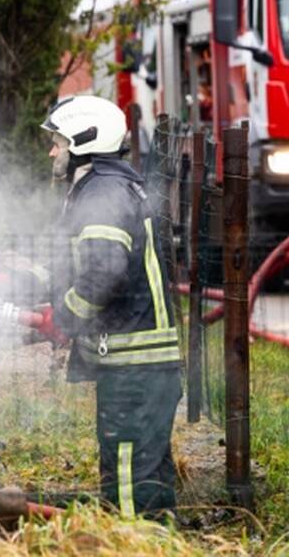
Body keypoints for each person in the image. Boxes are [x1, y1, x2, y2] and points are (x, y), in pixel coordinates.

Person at [42, 95, 182, 518]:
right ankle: (159, 540)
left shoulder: (102, 192)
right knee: (146, 469)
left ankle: (132, 544)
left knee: (127, 472)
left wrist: (64, 317)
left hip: (133, 364)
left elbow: (103, 271)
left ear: (85, 142)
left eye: (59, 143)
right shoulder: (115, 186)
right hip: (140, 363)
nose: (52, 152)